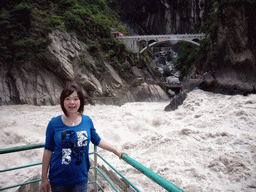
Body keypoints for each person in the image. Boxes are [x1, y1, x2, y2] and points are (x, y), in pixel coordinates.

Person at [41, 83, 123, 192]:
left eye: (75, 99)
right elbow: (48, 150)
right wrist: (43, 178)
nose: (72, 102)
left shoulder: (87, 121)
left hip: (80, 179)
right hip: (58, 180)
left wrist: (115, 150)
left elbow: (97, 140)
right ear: (62, 101)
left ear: (81, 101)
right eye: (67, 99)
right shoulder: (54, 123)